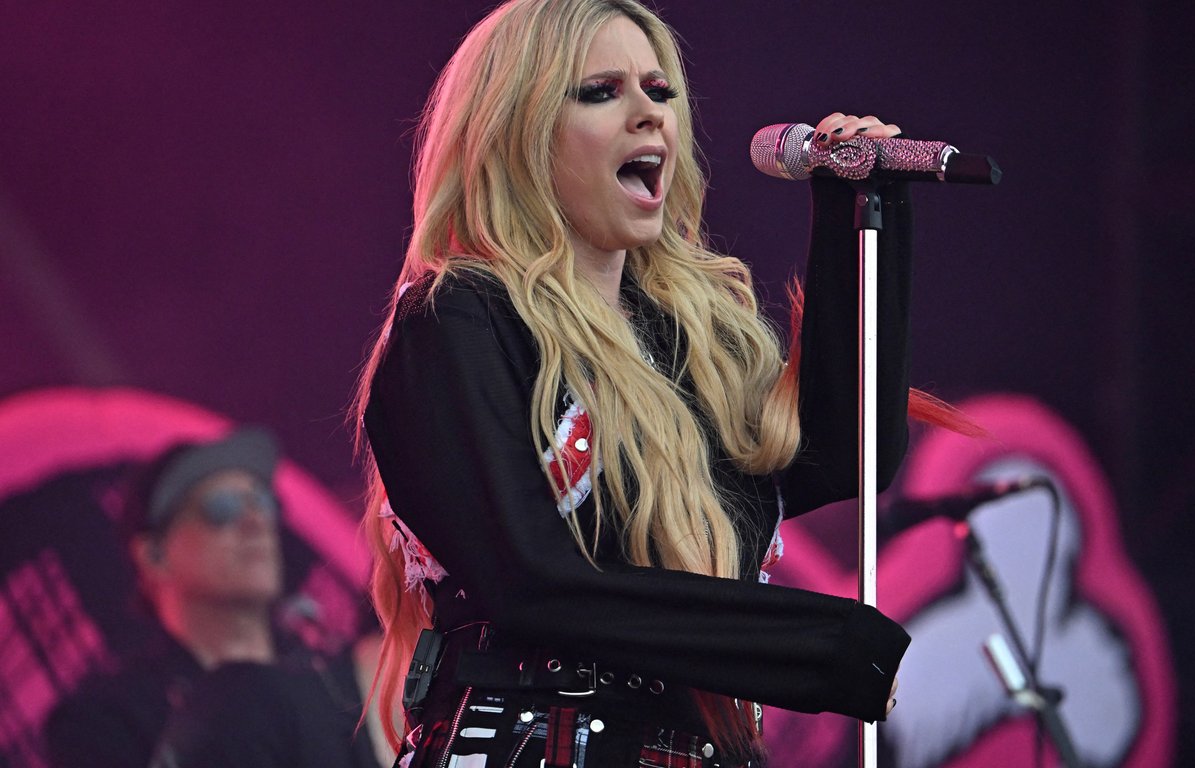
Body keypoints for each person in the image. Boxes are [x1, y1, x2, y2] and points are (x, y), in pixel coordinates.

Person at [353, 1, 925, 765]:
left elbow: (846, 455)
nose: (650, 114)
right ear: (518, 131)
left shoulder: (684, 347)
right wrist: (821, 646)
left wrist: (858, 213)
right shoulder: (458, 318)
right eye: (601, 91)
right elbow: (531, 578)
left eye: (660, 91)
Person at [43, 428, 383, 768]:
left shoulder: (336, 679)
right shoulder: (105, 721)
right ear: (154, 555)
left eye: (263, 502)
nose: (255, 520)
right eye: (222, 507)